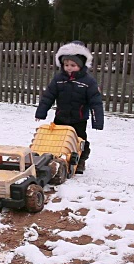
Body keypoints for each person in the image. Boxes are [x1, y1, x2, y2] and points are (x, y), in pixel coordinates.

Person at [35, 40, 104, 174]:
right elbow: (48, 96)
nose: (69, 68)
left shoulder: (88, 82)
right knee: (57, 139)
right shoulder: (58, 79)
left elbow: (96, 102)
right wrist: (41, 113)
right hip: (61, 116)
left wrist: (97, 121)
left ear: (81, 65)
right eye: (66, 64)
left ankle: (80, 161)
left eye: (73, 65)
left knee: (79, 141)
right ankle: (56, 158)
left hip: (79, 119)